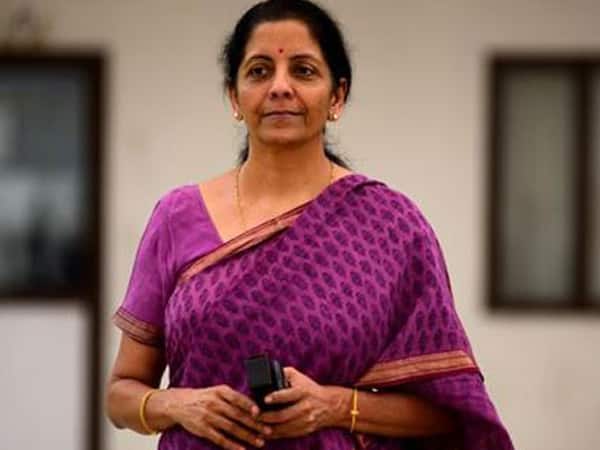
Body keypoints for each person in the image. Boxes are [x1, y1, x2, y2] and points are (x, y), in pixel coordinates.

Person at [105, 1, 514, 449]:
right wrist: (180, 405)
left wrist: (337, 406)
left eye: (303, 71)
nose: (280, 87)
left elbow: (451, 410)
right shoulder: (178, 217)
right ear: (234, 97)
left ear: (337, 96)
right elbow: (121, 393)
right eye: (259, 71)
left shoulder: (391, 228)